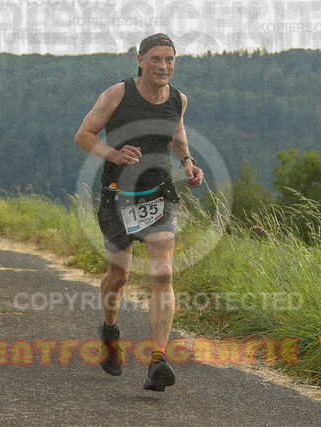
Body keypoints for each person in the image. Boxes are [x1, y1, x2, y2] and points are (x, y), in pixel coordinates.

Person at [74, 33, 203, 391]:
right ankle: (109, 331)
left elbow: (176, 131)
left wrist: (187, 161)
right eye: (156, 59)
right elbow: (83, 135)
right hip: (118, 195)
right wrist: (113, 154)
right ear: (140, 60)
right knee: (119, 276)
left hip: (159, 193)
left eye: (169, 59)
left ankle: (157, 360)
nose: (163, 66)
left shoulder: (178, 99)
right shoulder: (117, 95)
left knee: (163, 273)